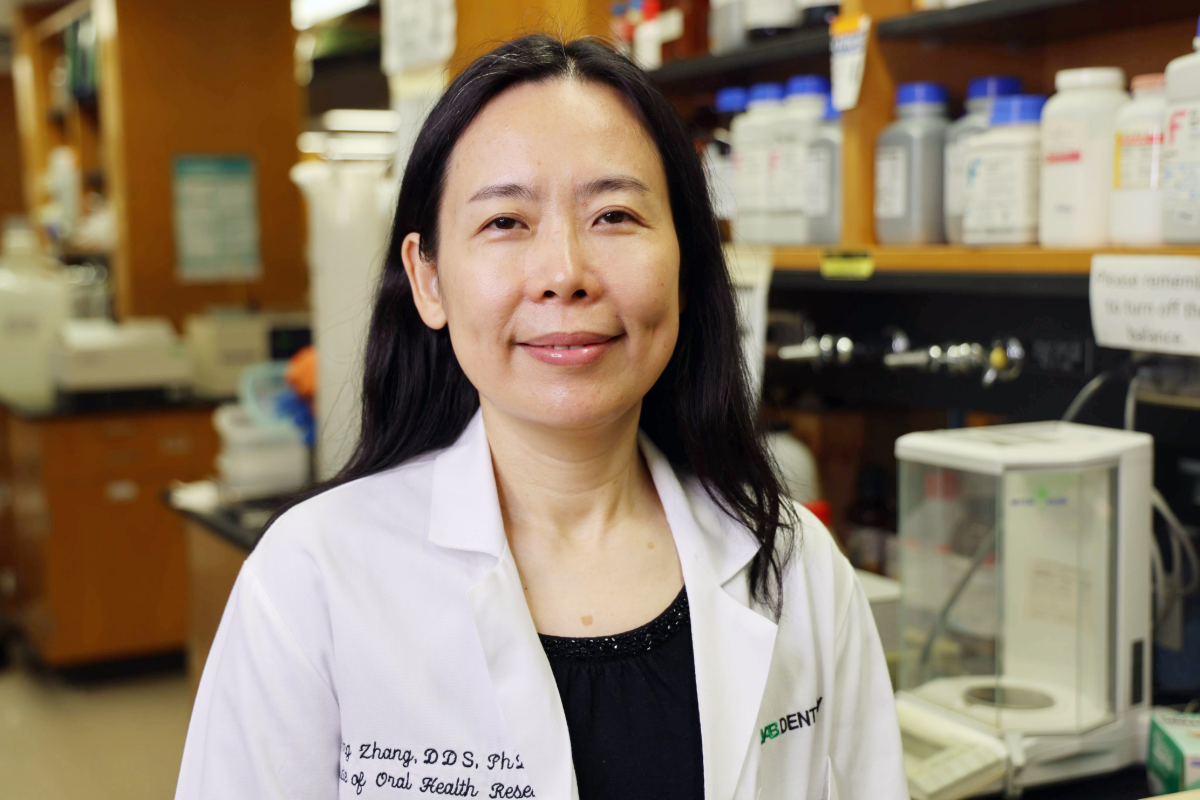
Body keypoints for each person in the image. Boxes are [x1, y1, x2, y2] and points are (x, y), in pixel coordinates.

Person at [174, 34, 904, 800]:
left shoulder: (796, 566)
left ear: (687, 263)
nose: (565, 274)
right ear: (428, 280)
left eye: (615, 215)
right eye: (505, 223)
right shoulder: (310, 580)